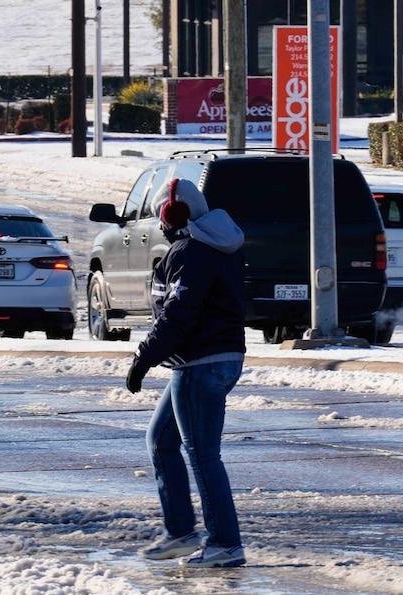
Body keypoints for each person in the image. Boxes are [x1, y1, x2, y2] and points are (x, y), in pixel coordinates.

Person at [127, 178, 248, 568]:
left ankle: (226, 544)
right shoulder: (217, 245)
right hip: (212, 359)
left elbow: (179, 314)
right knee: (162, 441)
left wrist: (144, 358)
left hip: (201, 362)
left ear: (171, 215)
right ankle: (180, 532)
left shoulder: (189, 252)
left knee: (202, 454)